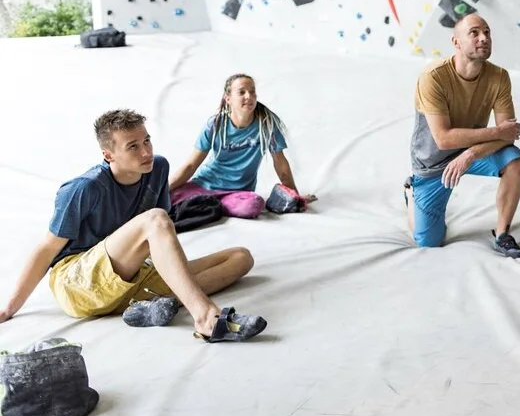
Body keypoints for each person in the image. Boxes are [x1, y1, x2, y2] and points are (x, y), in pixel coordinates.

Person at [0, 109, 267, 342]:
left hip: (131, 273)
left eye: (147, 141)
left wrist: (174, 273)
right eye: (133, 147)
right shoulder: (84, 188)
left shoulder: (157, 168)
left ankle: (149, 306)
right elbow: (47, 249)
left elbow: (157, 241)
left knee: (240, 257)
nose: (146, 152)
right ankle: (207, 319)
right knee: (155, 219)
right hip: (77, 282)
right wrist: (9, 308)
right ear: (109, 155)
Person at [404, 13, 520, 258]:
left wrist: (471, 154)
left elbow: (509, 135)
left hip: (473, 151)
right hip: (433, 162)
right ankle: (411, 192)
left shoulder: (499, 77)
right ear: (456, 42)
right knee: (428, 242)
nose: (484, 38)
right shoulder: (433, 77)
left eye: (487, 32)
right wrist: (496, 132)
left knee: (514, 160)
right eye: (474, 33)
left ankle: (502, 234)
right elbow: (443, 139)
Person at [169, 73, 315, 218]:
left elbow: (281, 164)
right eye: (242, 92)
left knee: (253, 205)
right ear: (228, 98)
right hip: (205, 185)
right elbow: (190, 166)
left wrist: (294, 196)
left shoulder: (267, 125)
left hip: (238, 192)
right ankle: (209, 204)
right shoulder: (214, 125)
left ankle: (208, 205)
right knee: (169, 198)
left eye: (252, 92)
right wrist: (164, 190)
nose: (249, 96)